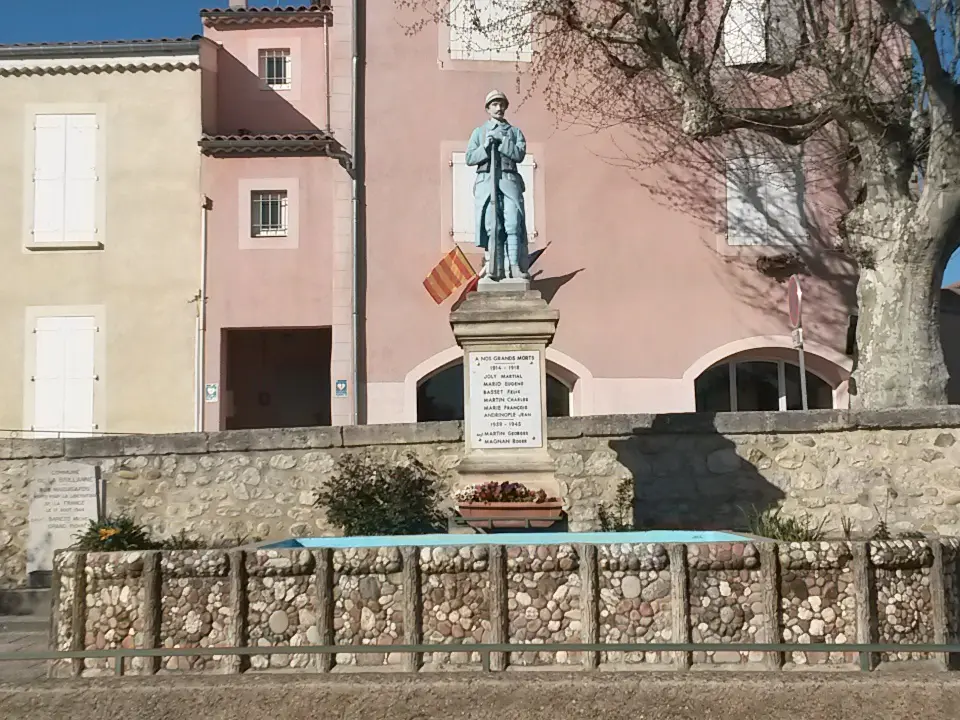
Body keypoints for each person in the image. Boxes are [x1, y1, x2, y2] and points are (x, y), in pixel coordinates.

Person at [466, 90, 530, 281]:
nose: (499, 108)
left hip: (509, 182)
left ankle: (514, 268)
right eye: (494, 104)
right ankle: (494, 268)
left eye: (501, 104)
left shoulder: (515, 132)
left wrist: (502, 142)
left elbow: (519, 154)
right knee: (492, 227)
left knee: (512, 224)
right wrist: (485, 146)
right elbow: (469, 158)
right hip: (487, 183)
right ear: (488, 108)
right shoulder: (479, 133)